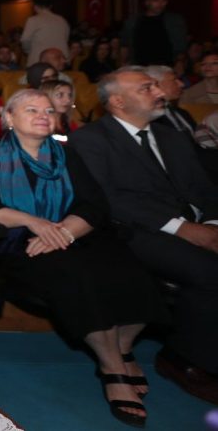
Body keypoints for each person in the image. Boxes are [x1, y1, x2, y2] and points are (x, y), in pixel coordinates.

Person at [0, 89, 168, 425]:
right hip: (22, 243)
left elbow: (94, 205)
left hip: (77, 233)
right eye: (31, 109)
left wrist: (65, 232)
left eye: (48, 110)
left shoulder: (66, 155)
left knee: (132, 271)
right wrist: (34, 222)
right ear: (9, 119)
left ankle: (124, 346)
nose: (43, 115)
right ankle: (112, 367)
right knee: (77, 276)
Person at [71, 68, 218, 405]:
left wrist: (213, 224)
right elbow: (108, 199)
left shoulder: (173, 137)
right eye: (146, 87)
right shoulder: (91, 139)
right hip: (131, 231)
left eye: (155, 85)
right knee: (208, 270)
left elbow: (204, 190)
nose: (158, 92)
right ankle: (186, 359)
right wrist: (185, 229)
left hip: (195, 225)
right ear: (118, 101)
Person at [122, 0, 188, 66]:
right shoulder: (133, 21)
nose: (160, 4)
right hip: (138, 65)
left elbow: (181, 45)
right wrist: (124, 62)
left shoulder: (174, 21)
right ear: (147, 2)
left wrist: (179, 62)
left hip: (166, 65)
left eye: (164, 0)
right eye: (156, 0)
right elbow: (125, 44)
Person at [145, 65, 197, 144]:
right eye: (174, 80)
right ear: (156, 83)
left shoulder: (182, 113)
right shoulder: (149, 118)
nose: (181, 84)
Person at [20, 0, 70, 69]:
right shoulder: (62, 20)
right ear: (51, 6)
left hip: (39, 61)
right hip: (60, 61)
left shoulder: (33, 20)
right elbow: (66, 38)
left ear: (35, 7)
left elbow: (25, 40)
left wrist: (28, 51)